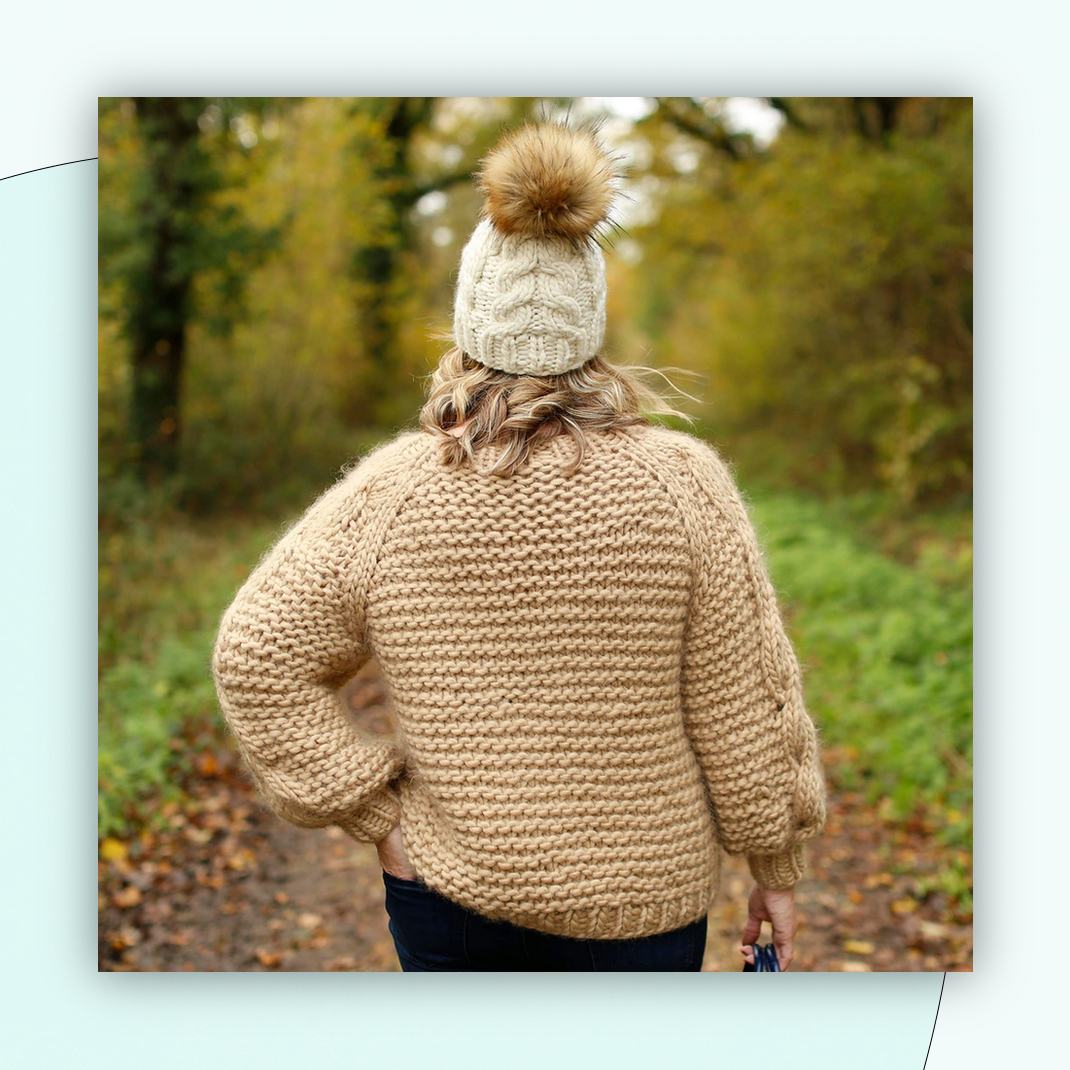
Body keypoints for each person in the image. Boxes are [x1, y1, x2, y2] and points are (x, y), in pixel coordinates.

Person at [212, 120, 826, 972]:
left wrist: (377, 818)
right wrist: (775, 865)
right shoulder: (685, 483)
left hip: (449, 894)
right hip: (643, 905)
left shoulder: (392, 492)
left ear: (467, 322)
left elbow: (255, 655)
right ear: (592, 327)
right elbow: (744, 706)